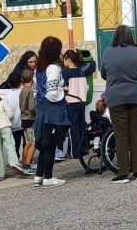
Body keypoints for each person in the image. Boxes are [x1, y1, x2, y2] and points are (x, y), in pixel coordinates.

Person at [99, 25, 137, 183]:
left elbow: (103, 73)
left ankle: (123, 173)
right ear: (130, 37)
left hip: (116, 99)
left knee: (121, 135)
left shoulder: (108, 52)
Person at [33, 36, 69, 188]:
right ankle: (48, 177)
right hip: (53, 110)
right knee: (50, 145)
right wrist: (63, 90)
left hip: (42, 109)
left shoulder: (38, 69)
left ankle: (39, 175)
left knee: (43, 143)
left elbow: (36, 91)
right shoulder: (53, 68)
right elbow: (52, 92)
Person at [0, 84, 28, 181]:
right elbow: (10, 114)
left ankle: (0, 173)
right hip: (5, 126)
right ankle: (14, 164)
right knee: (10, 145)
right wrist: (5, 119)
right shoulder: (2, 102)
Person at [61, 49, 88, 159]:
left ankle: (74, 151)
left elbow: (64, 88)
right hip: (82, 102)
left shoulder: (65, 73)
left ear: (68, 60)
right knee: (81, 126)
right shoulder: (81, 72)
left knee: (73, 127)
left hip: (71, 103)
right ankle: (82, 149)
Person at [19, 68, 37, 171]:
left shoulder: (22, 90)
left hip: (24, 119)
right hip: (31, 119)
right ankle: (27, 164)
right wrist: (37, 113)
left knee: (27, 142)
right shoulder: (29, 90)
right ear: (32, 78)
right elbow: (31, 107)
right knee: (33, 143)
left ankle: (24, 162)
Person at [3, 73, 25, 157]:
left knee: (15, 144)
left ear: (9, 83)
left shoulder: (7, 96)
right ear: (21, 82)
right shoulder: (24, 92)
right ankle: (26, 160)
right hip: (25, 123)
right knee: (27, 143)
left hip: (14, 125)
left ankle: (16, 161)